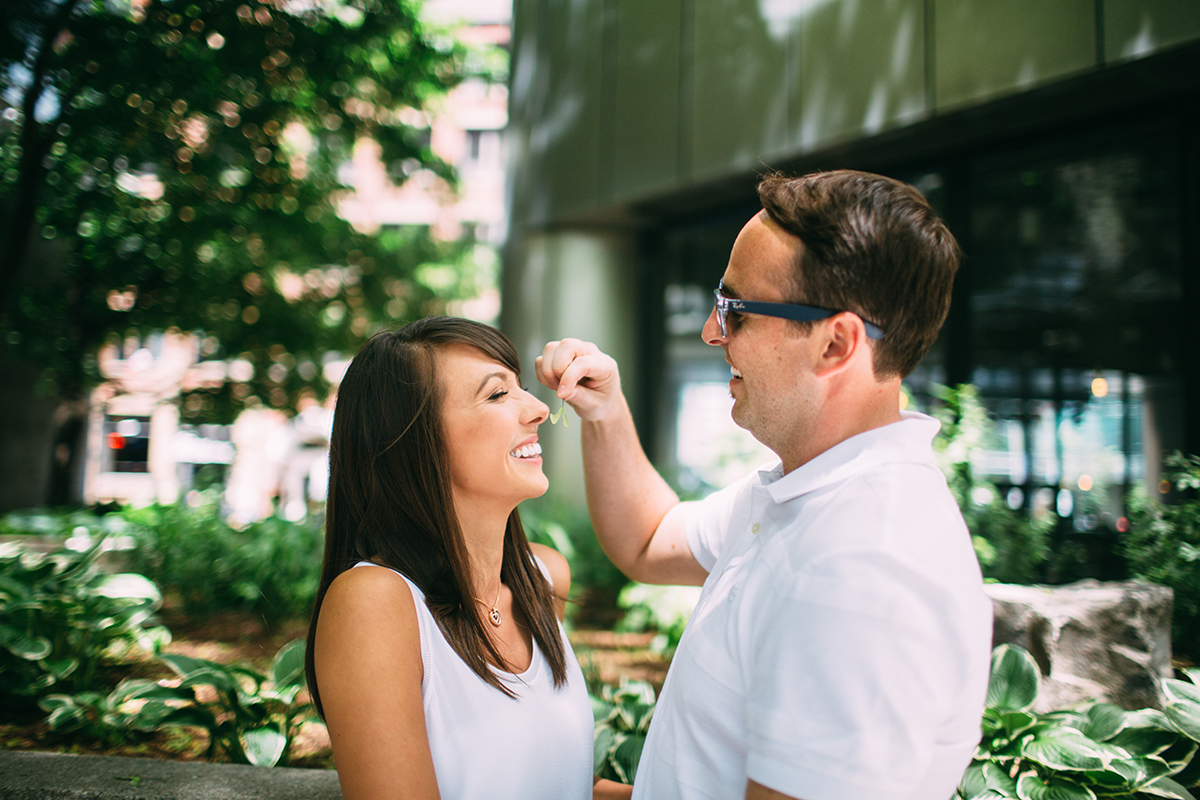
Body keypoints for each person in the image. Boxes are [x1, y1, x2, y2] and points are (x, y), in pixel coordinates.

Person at [536, 170, 994, 800]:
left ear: (836, 344)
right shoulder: (806, 491)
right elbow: (648, 539)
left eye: (736, 311)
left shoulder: (861, 569)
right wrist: (606, 411)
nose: (711, 333)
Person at [305, 316, 605, 800]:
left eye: (520, 388)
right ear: (414, 442)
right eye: (497, 395)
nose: (538, 410)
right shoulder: (376, 603)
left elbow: (550, 779)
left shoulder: (543, 578)